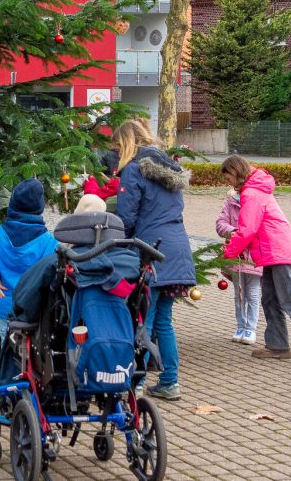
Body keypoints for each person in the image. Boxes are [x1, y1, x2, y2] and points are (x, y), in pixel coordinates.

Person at [221, 155, 291, 364]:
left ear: (236, 172)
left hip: (277, 249)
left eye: (228, 178)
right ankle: (277, 345)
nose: (228, 183)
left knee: (288, 297)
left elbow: (247, 230)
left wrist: (228, 254)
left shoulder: (252, 193)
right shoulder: (253, 190)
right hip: (271, 251)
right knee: (270, 298)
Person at [112, 119, 195, 401]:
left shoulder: (134, 170)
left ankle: (134, 384)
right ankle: (170, 381)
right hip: (178, 249)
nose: (116, 153)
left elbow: (126, 217)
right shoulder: (171, 169)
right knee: (164, 322)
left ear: (126, 143)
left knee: (143, 320)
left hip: (151, 250)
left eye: (117, 146)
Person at [0, 179, 59, 346]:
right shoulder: (48, 242)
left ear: (12, 205)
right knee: (36, 351)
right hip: (35, 310)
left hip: (6, 306)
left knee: (8, 349)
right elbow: (55, 271)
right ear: (40, 208)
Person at [216, 188, 262, 344]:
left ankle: (251, 328)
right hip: (235, 253)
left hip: (254, 254)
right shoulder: (230, 202)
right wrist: (232, 231)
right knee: (239, 292)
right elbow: (220, 223)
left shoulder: (258, 200)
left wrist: (248, 234)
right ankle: (241, 326)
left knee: (253, 293)